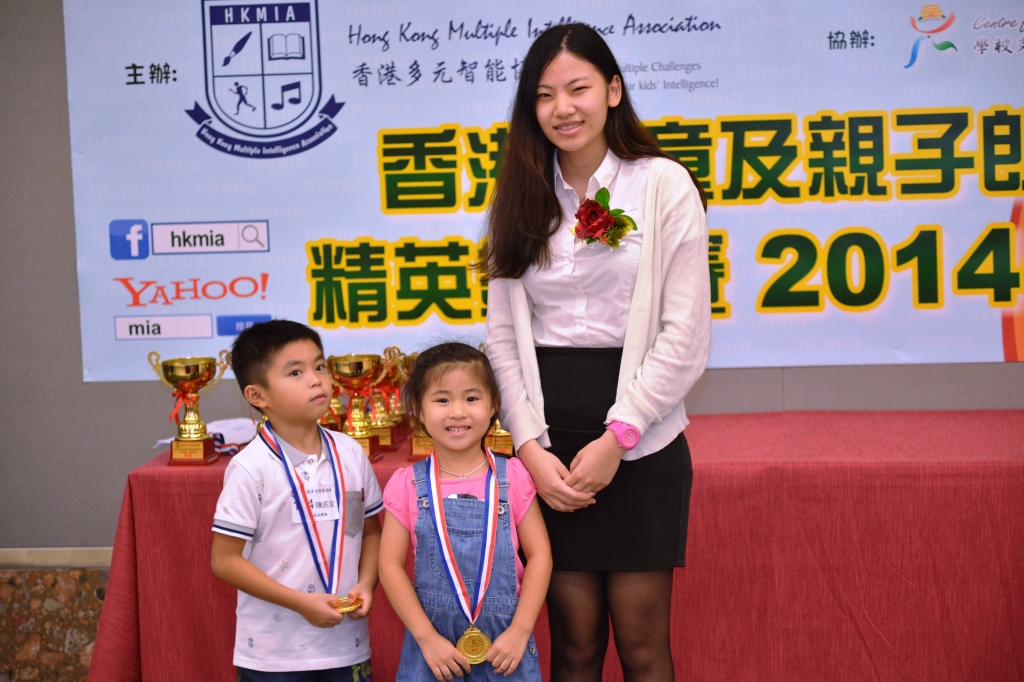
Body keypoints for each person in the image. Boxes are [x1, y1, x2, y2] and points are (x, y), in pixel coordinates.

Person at [483, 23, 711, 682]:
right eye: (544, 95)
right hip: (550, 441)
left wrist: (620, 436)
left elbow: (686, 335)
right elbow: (503, 337)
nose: (562, 108)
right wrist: (530, 449)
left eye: (577, 88)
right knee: (574, 648)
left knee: (642, 649)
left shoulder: (662, 184)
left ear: (613, 90)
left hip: (642, 437)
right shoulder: (519, 193)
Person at [211, 319, 382, 681]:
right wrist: (300, 603)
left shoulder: (350, 454)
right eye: (295, 372)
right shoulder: (251, 468)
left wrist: (367, 583)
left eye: (319, 366)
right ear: (258, 396)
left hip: (346, 646)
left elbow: (366, 531)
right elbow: (224, 561)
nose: (316, 380)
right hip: (275, 655)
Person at [379, 342, 552, 681]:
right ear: (417, 409)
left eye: (472, 398)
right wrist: (426, 639)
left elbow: (541, 555)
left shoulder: (514, 476)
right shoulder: (406, 484)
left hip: (505, 648)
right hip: (434, 652)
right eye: (442, 400)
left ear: (494, 404)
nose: (458, 412)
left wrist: (520, 631)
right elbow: (389, 566)